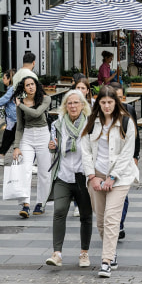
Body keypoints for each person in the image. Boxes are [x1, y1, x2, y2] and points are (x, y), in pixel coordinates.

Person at [80, 85, 140, 278]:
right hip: (96, 175)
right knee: (100, 220)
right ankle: (112, 252)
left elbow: (127, 153)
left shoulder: (125, 121)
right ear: (98, 103)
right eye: (103, 102)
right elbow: (85, 151)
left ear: (116, 102)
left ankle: (105, 261)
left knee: (111, 218)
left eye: (110, 102)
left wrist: (113, 177)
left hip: (120, 176)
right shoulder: (91, 122)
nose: (107, 106)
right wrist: (92, 176)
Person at [45, 89, 93, 269]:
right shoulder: (57, 125)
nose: (72, 106)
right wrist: (52, 147)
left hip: (83, 176)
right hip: (63, 175)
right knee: (59, 211)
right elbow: (54, 147)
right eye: (69, 103)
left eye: (76, 103)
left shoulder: (90, 125)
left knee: (86, 216)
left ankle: (84, 253)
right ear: (65, 106)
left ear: (83, 105)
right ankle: (56, 253)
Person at [11, 76, 52, 218]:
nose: (30, 87)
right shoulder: (21, 103)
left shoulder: (45, 99)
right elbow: (19, 127)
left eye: (32, 84)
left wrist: (19, 105)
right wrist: (16, 146)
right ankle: (25, 204)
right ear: (24, 88)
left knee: (44, 172)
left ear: (36, 85)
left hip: (43, 135)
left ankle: (41, 202)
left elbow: (36, 113)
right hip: (27, 136)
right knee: (25, 170)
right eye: (27, 85)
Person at [109, 83, 140, 242]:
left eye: (119, 98)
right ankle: (110, 224)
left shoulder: (129, 110)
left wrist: (136, 156)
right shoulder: (102, 112)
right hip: (107, 161)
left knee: (123, 194)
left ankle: (118, 224)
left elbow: (136, 136)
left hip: (125, 159)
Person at [0, 69, 17, 166]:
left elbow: (5, 99)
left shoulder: (12, 89)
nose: (2, 80)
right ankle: (0, 156)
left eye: (4, 78)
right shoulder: (12, 88)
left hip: (13, 118)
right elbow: (5, 99)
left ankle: (1, 157)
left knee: (8, 137)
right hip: (12, 118)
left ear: (9, 79)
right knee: (8, 137)